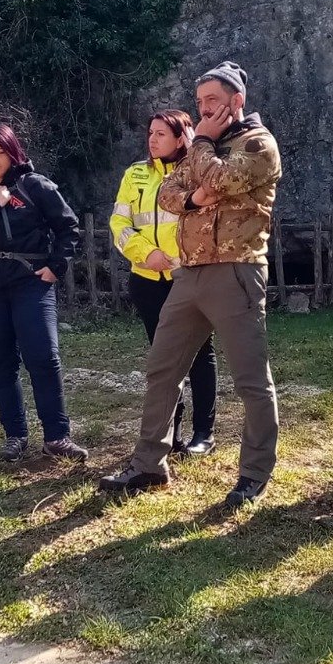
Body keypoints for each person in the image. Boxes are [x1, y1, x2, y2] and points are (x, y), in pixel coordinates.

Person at [99, 60, 283, 506]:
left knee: (250, 380)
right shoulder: (205, 147)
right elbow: (168, 194)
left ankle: (254, 474)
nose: (203, 111)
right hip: (190, 272)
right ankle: (148, 465)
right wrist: (196, 196)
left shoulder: (258, 143)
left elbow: (224, 177)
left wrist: (200, 143)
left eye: (212, 102)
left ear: (236, 101)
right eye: (199, 103)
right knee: (162, 369)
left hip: (236, 271)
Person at [0, 121, 86, 463]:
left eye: (0, 153)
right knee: (1, 363)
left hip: (30, 283)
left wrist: (56, 266)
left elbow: (68, 227)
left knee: (44, 357)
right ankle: (15, 436)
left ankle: (57, 437)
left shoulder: (35, 185)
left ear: (13, 153)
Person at [110, 110, 218, 456]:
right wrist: (144, 253)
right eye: (150, 133)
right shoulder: (135, 174)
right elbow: (119, 223)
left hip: (187, 278)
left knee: (200, 354)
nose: (152, 139)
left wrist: (178, 260)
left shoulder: (197, 173)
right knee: (164, 359)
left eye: (161, 133)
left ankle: (204, 434)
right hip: (146, 279)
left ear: (181, 137)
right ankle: (170, 433)